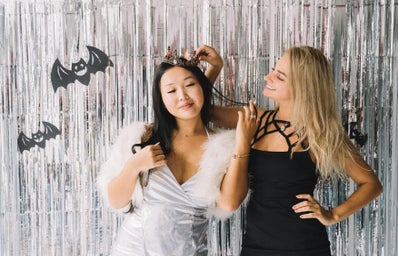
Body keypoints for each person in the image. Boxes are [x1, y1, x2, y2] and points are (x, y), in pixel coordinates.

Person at [202, 45, 383, 255]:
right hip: (255, 245)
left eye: (279, 76)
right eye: (273, 70)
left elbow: (371, 184)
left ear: (304, 87)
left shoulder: (321, 133)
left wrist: (333, 215)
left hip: (305, 246)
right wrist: (215, 68)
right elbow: (200, 109)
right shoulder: (255, 119)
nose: (267, 77)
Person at [96, 47, 258, 255]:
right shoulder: (142, 138)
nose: (182, 96)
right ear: (161, 99)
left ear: (201, 87)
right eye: (171, 91)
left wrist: (243, 142)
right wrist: (134, 165)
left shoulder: (222, 148)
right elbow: (116, 201)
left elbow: (229, 203)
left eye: (190, 85)